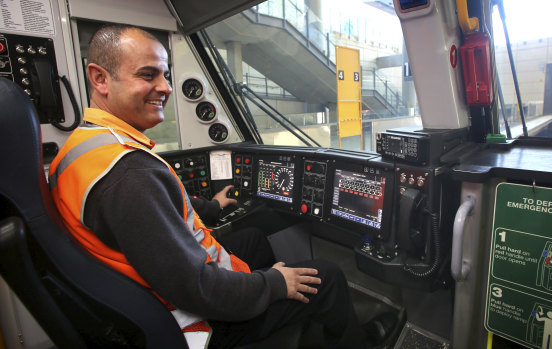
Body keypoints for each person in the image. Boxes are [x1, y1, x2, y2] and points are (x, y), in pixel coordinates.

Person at [48, 25, 368, 349]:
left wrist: (212, 207)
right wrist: (273, 284)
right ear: (100, 78)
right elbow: (198, 287)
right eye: (148, 75)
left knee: (254, 239)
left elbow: (155, 212)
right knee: (326, 277)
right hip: (193, 322)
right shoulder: (129, 175)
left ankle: (277, 325)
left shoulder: (84, 148)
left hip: (150, 292)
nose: (165, 87)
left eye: (165, 74)